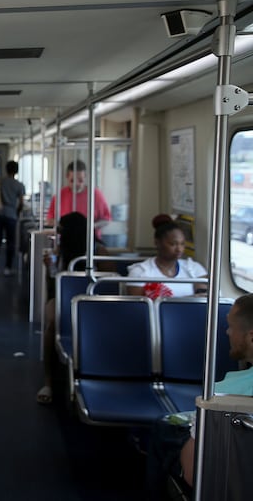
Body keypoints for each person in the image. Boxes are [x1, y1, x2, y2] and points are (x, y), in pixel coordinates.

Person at [146, 293, 253, 498]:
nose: (227, 332)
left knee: (165, 426)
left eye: (231, 326)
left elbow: (194, 474)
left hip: (229, 482)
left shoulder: (225, 394)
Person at [36, 212, 114, 404]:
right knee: (53, 323)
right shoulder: (61, 251)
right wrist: (50, 268)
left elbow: (109, 282)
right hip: (65, 299)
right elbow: (56, 284)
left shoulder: (99, 251)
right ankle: (49, 381)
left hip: (94, 301)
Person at [126, 214, 207, 299]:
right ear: (157, 243)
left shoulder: (194, 268)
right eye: (173, 244)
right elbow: (138, 307)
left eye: (182, 244)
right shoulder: (140, 272)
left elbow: (202, 298)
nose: (179, 249)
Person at [46, 160, 111, 241]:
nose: (76, 184)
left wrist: (90, 226)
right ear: (67, 176)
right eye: (72, 180)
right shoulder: (59, 195)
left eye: (80, 180)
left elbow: (106, 219)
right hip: (66, 240)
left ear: (85, 177)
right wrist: (66, 227)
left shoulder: (95, 195)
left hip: (89, 240)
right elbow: (50, 219)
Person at [0, 160, 25, 277]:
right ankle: (8, 268)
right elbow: (21, 202)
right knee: (11, 242)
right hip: (11, 215)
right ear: (17, 171)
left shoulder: (0, 182)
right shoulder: (19, 185)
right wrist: (17, 212)